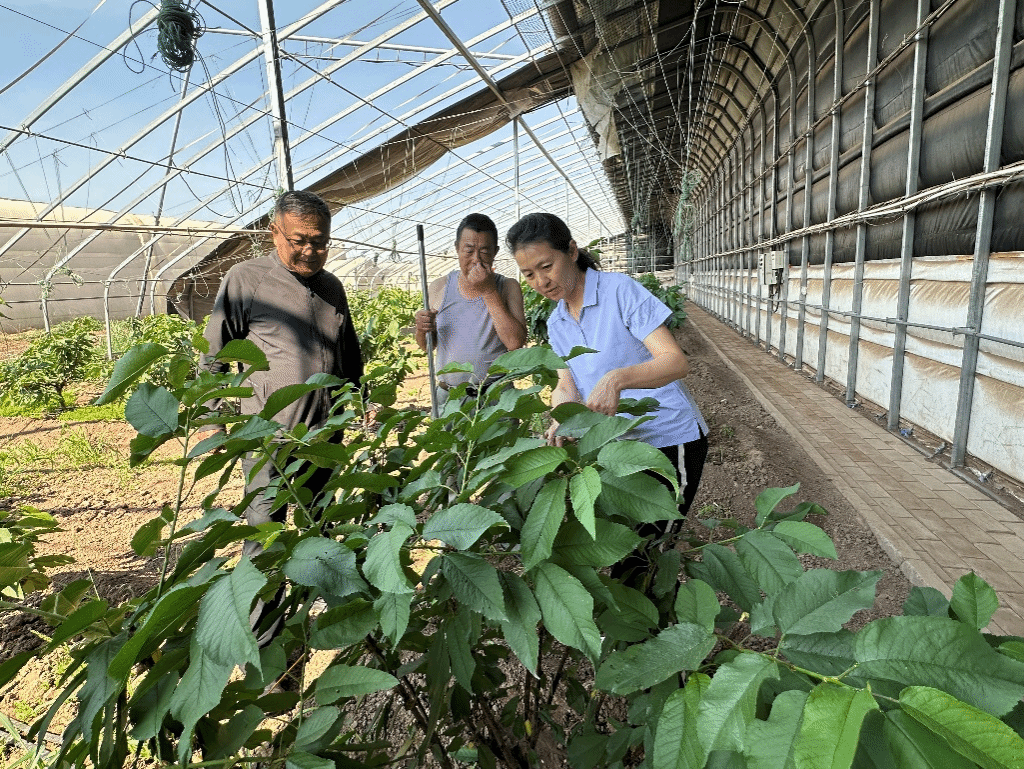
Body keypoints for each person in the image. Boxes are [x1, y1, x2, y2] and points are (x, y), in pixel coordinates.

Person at [507, 212, 708, 581]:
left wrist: (617, 379)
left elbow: (675, 361)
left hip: (667, 438)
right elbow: (566, 384)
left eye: (546, 266)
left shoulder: (620, 291)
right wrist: (562, 416)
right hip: (616, 448)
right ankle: (652, 608)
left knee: (643, 554)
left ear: (571, 251)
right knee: (626, 545)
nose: (541, 281)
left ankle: (653, 612)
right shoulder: (557, 321)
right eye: (529, 274)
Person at [204, 189, 363, 646]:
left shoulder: (332, 287)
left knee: (324, 526)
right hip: (268, 439)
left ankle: (332, 623)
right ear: (274, 232)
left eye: (320, 241)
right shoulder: (246, 279)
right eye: (300, 240)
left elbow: (349, 358)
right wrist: (212, 423)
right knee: (264, 535)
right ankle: (265, 642)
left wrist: (357, 403)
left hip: (323, 436)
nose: (311, 251)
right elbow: (214, 356)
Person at [414, 213, 527, 402]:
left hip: (495, 396)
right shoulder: (439, 287)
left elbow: (515, 342)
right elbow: (427, 346)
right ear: (457, 248)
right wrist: (422, 329)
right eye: (468, 250)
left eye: (484, 251)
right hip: (449, 397)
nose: (476, 259)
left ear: (495, 252)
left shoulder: (508, 286)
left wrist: (489, 291)